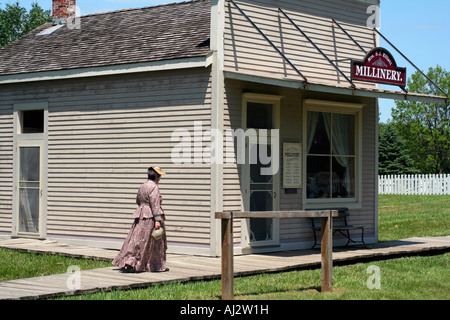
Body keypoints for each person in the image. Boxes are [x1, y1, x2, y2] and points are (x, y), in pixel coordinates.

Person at [112, 166, 169, 272]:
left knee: (136, 239)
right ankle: (152, 265)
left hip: (141, 215)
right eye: (159, 176)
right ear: (156, 177)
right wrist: (157, 220)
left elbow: (138, 200)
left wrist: (143, 208)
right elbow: (155, 204)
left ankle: (131, 261)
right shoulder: (154, 187)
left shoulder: (142, 186)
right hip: (151, 217)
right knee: (152, 242)